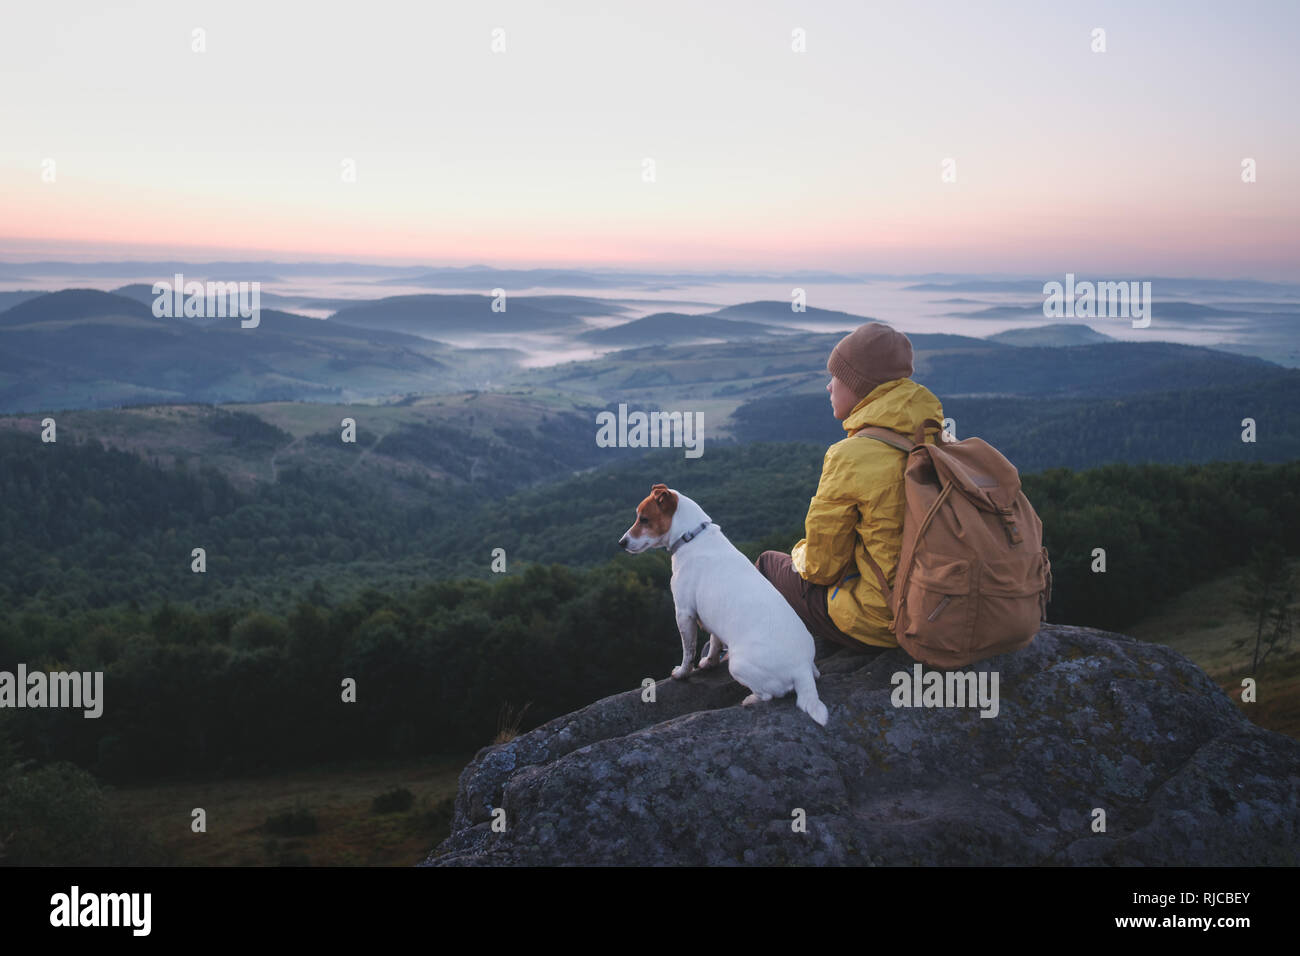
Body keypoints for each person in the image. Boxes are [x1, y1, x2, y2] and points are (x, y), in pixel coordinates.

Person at [756, 321, 944, 658]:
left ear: (859, 387)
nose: (829, 387)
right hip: (939, 609)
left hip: (882, 621)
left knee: (768, 565)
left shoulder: (851, 455)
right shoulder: (936, 439)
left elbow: (820, 567)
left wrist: (797, 551)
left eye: (836, 378)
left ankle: (746, 665)